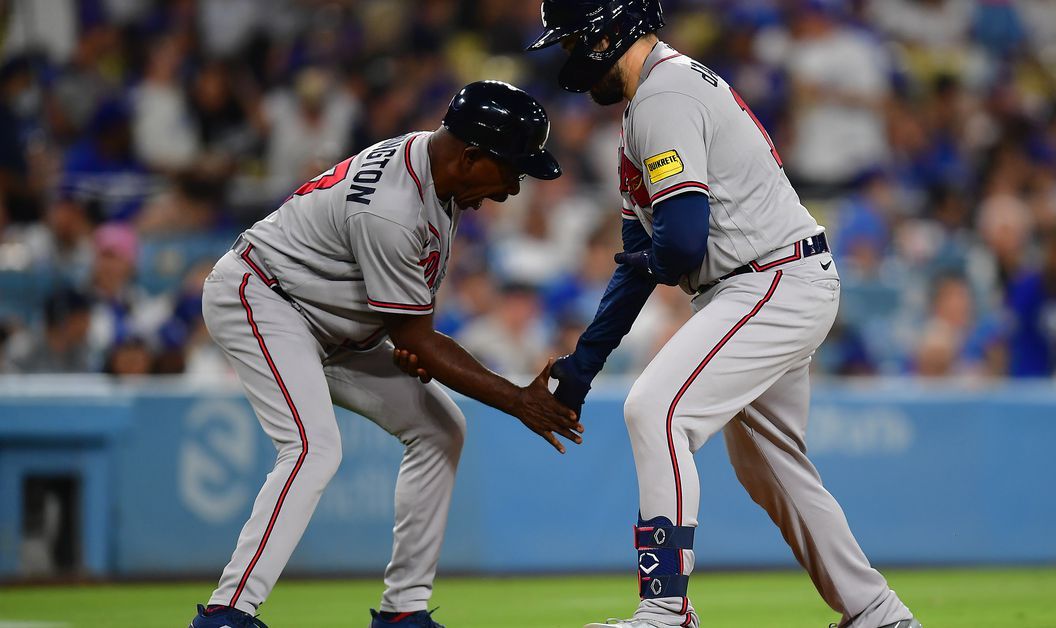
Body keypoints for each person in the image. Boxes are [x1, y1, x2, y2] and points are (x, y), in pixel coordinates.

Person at [528, 2, 919, 627]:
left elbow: (678, 243)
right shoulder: (651, 102)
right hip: (768, 279)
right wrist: (583, 365)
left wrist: (635, 279)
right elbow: (639, 263)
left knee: (654, 409)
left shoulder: (665, 95)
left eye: (577, 42)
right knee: (768, 464)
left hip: (767, 278)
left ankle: (665, 611)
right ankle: (876, 612)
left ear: (610, 33)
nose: (571, 59)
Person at [189, 81, 582, 628]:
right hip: (263, 297)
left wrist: (404, 339)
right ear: (471, 156)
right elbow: (418, 339)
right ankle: (228, 613)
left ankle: (403, 614)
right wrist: (519, 401)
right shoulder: (393, 208)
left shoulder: (437, 172)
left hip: (330, 322)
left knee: (441, 429)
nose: (512, 190)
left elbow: (410, 329)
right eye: (512, 170)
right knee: (311, 448)